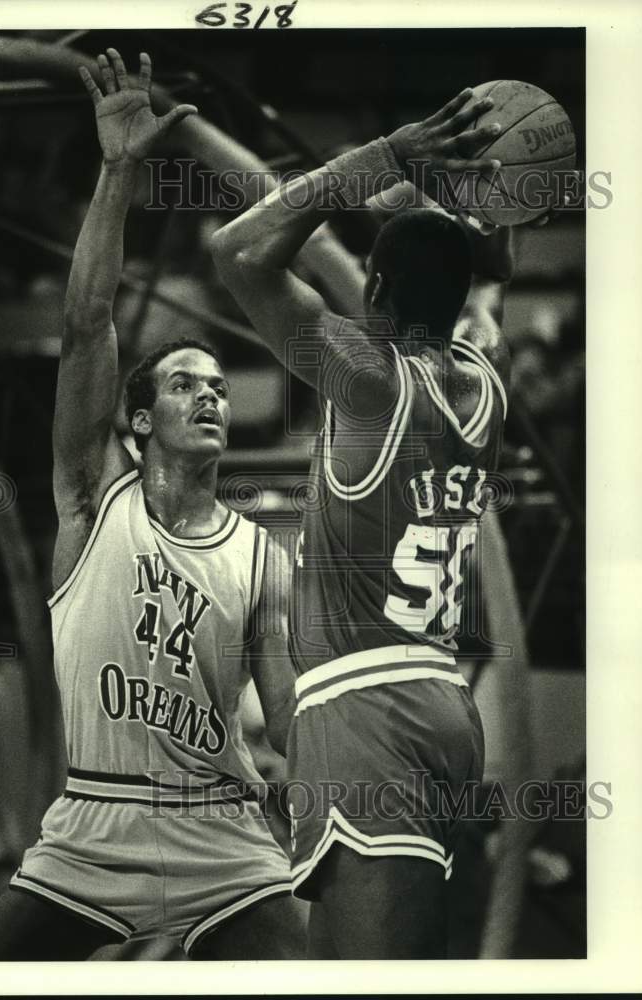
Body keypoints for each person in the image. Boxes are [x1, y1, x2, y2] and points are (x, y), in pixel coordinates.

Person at [0, 47, 305, 961]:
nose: (211, 398)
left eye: (221, 390)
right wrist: (118, 172)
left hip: (226, 835)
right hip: (92, 828)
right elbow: (87, 323)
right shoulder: (89, 497)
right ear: (139, 418)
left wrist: (326, 787)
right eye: (187, 386)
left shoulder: (264, 556)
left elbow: (286, 712)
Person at [212, 88, 520, 958]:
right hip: (439, 703)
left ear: (374, 288)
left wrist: (381, 156)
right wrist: (432, 203)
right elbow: (474, 284)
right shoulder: (483, 381)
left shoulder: (368, 378)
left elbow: (239, 250)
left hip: (367, 712)